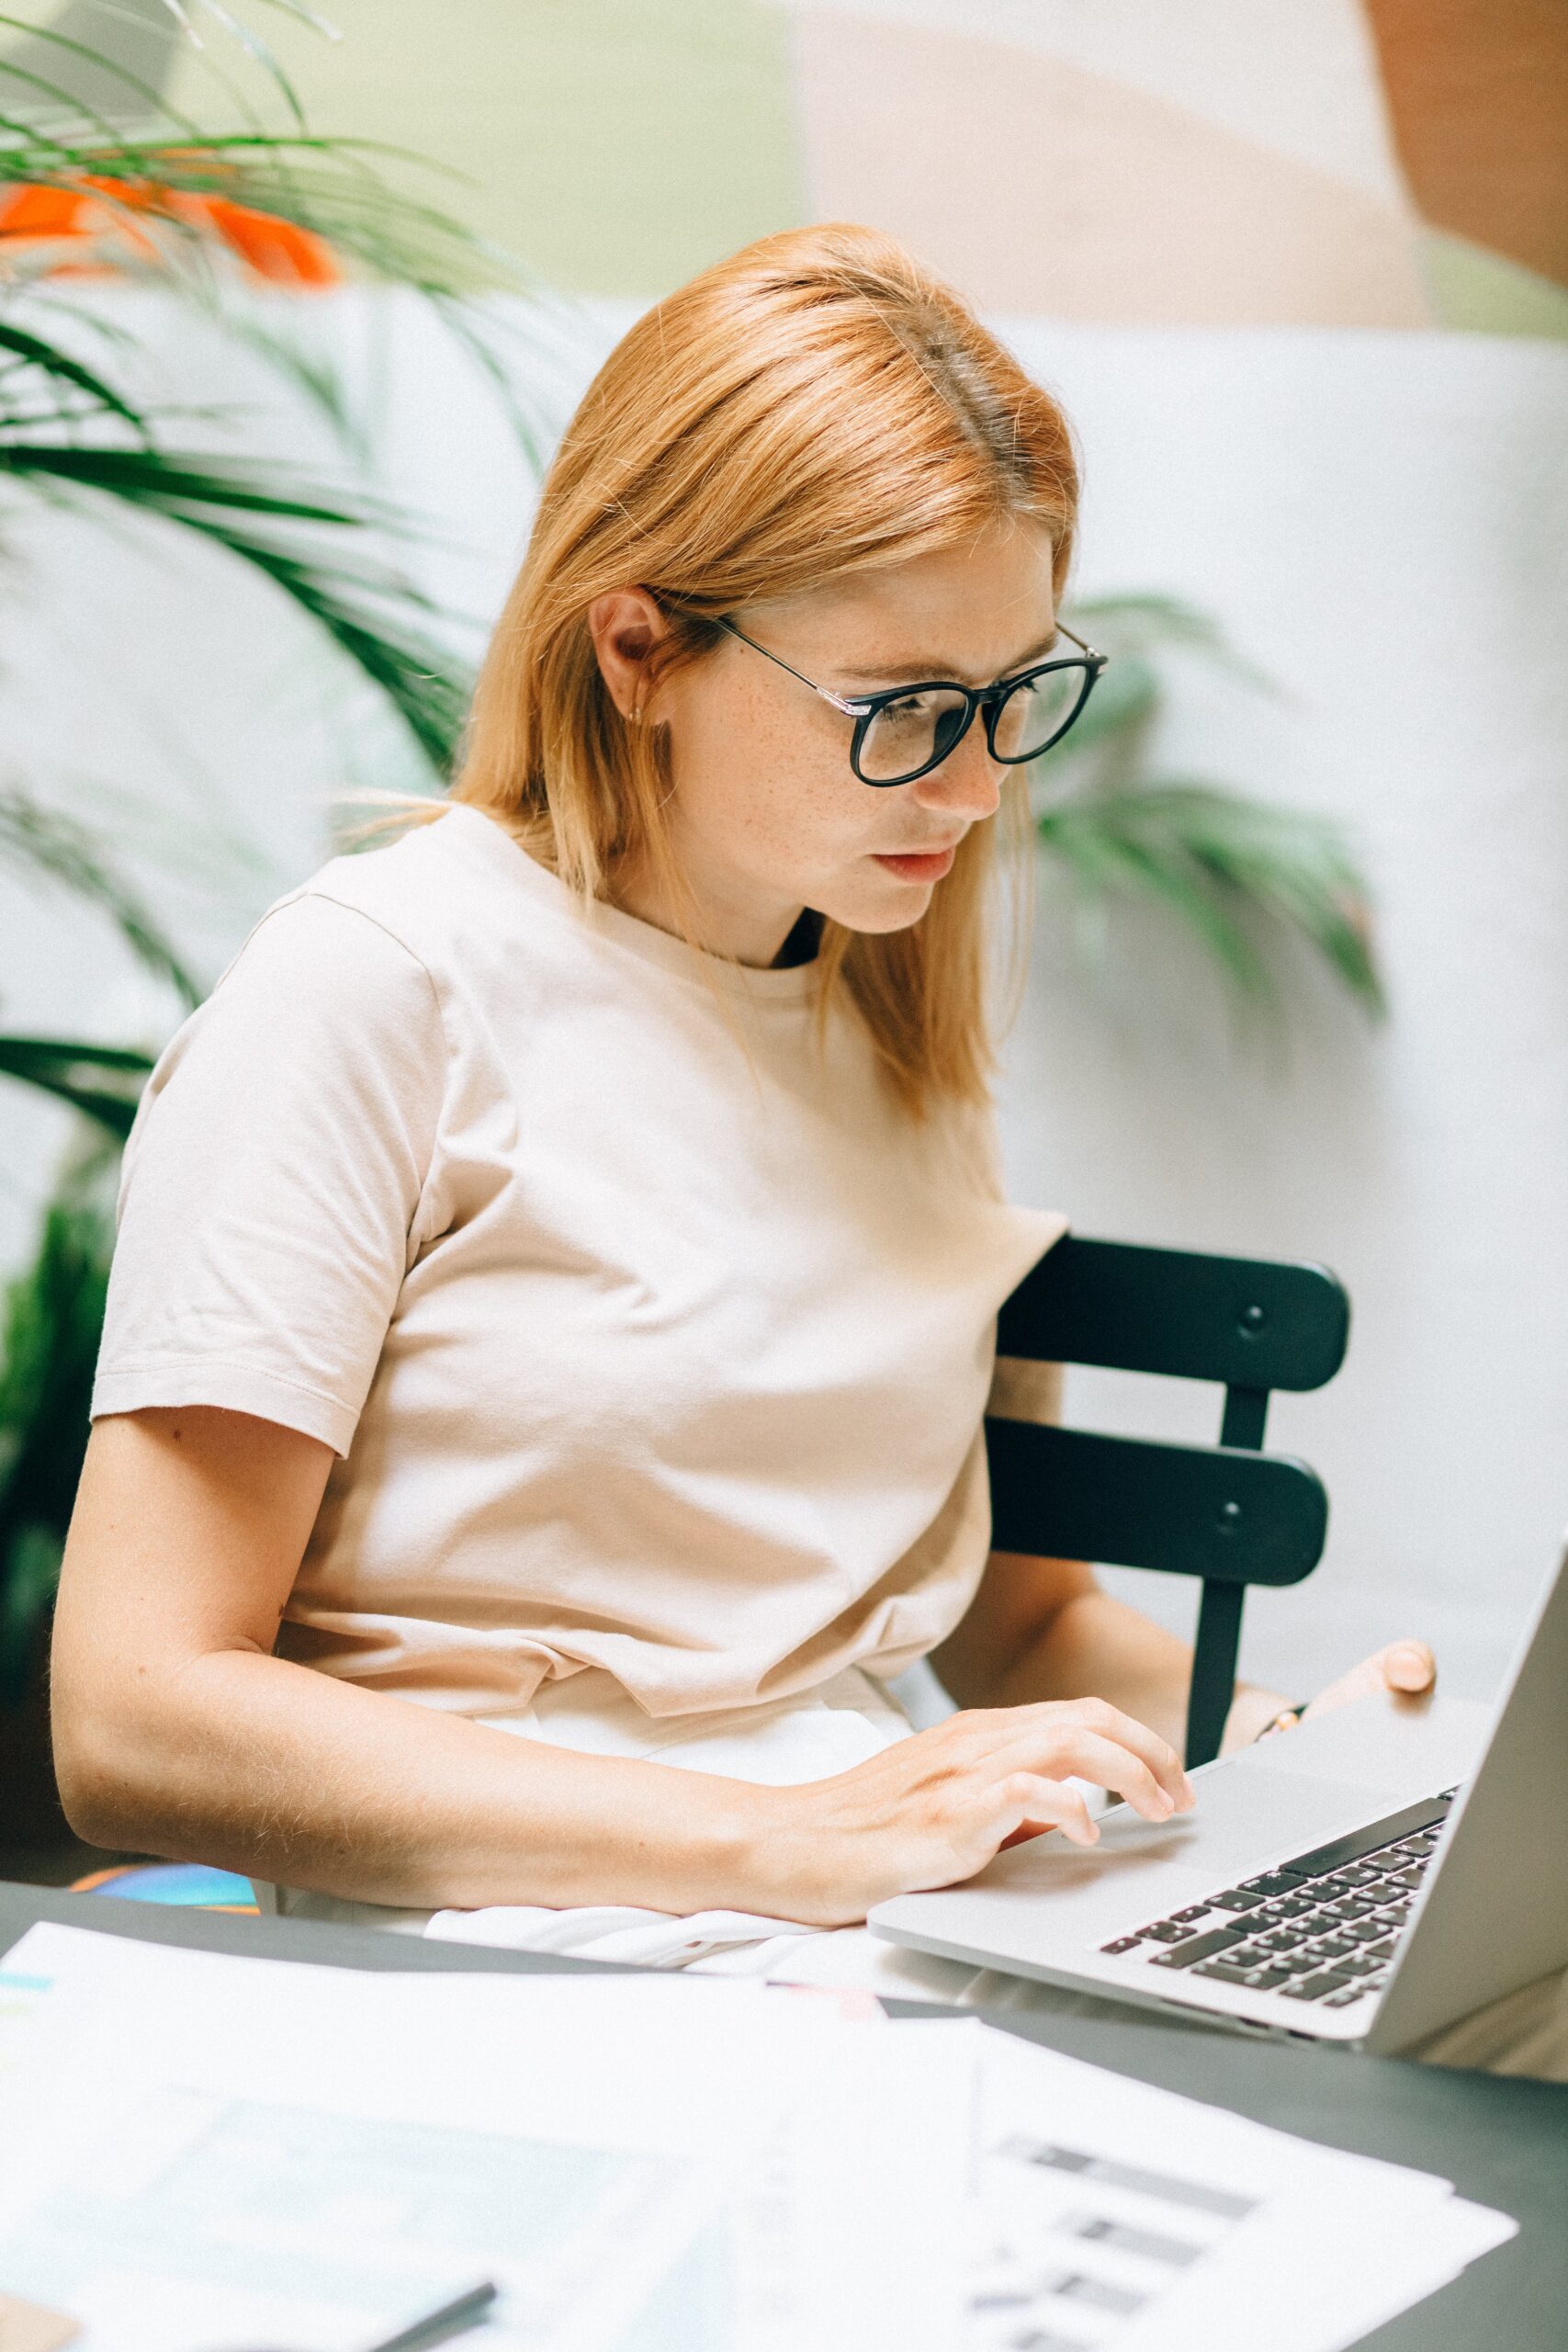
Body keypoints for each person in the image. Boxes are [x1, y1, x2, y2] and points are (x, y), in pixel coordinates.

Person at [51, 223, 1435, 1990]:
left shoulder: (883, 1018)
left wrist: (1328, 1769)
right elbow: (135, 1719)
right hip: (525, 1933)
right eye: (903, 711)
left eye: (1013, 698)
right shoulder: (378, 989)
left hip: (869, 1899)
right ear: (636, 649)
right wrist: (790, 1843)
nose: (981, 782)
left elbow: (1024, 1629)